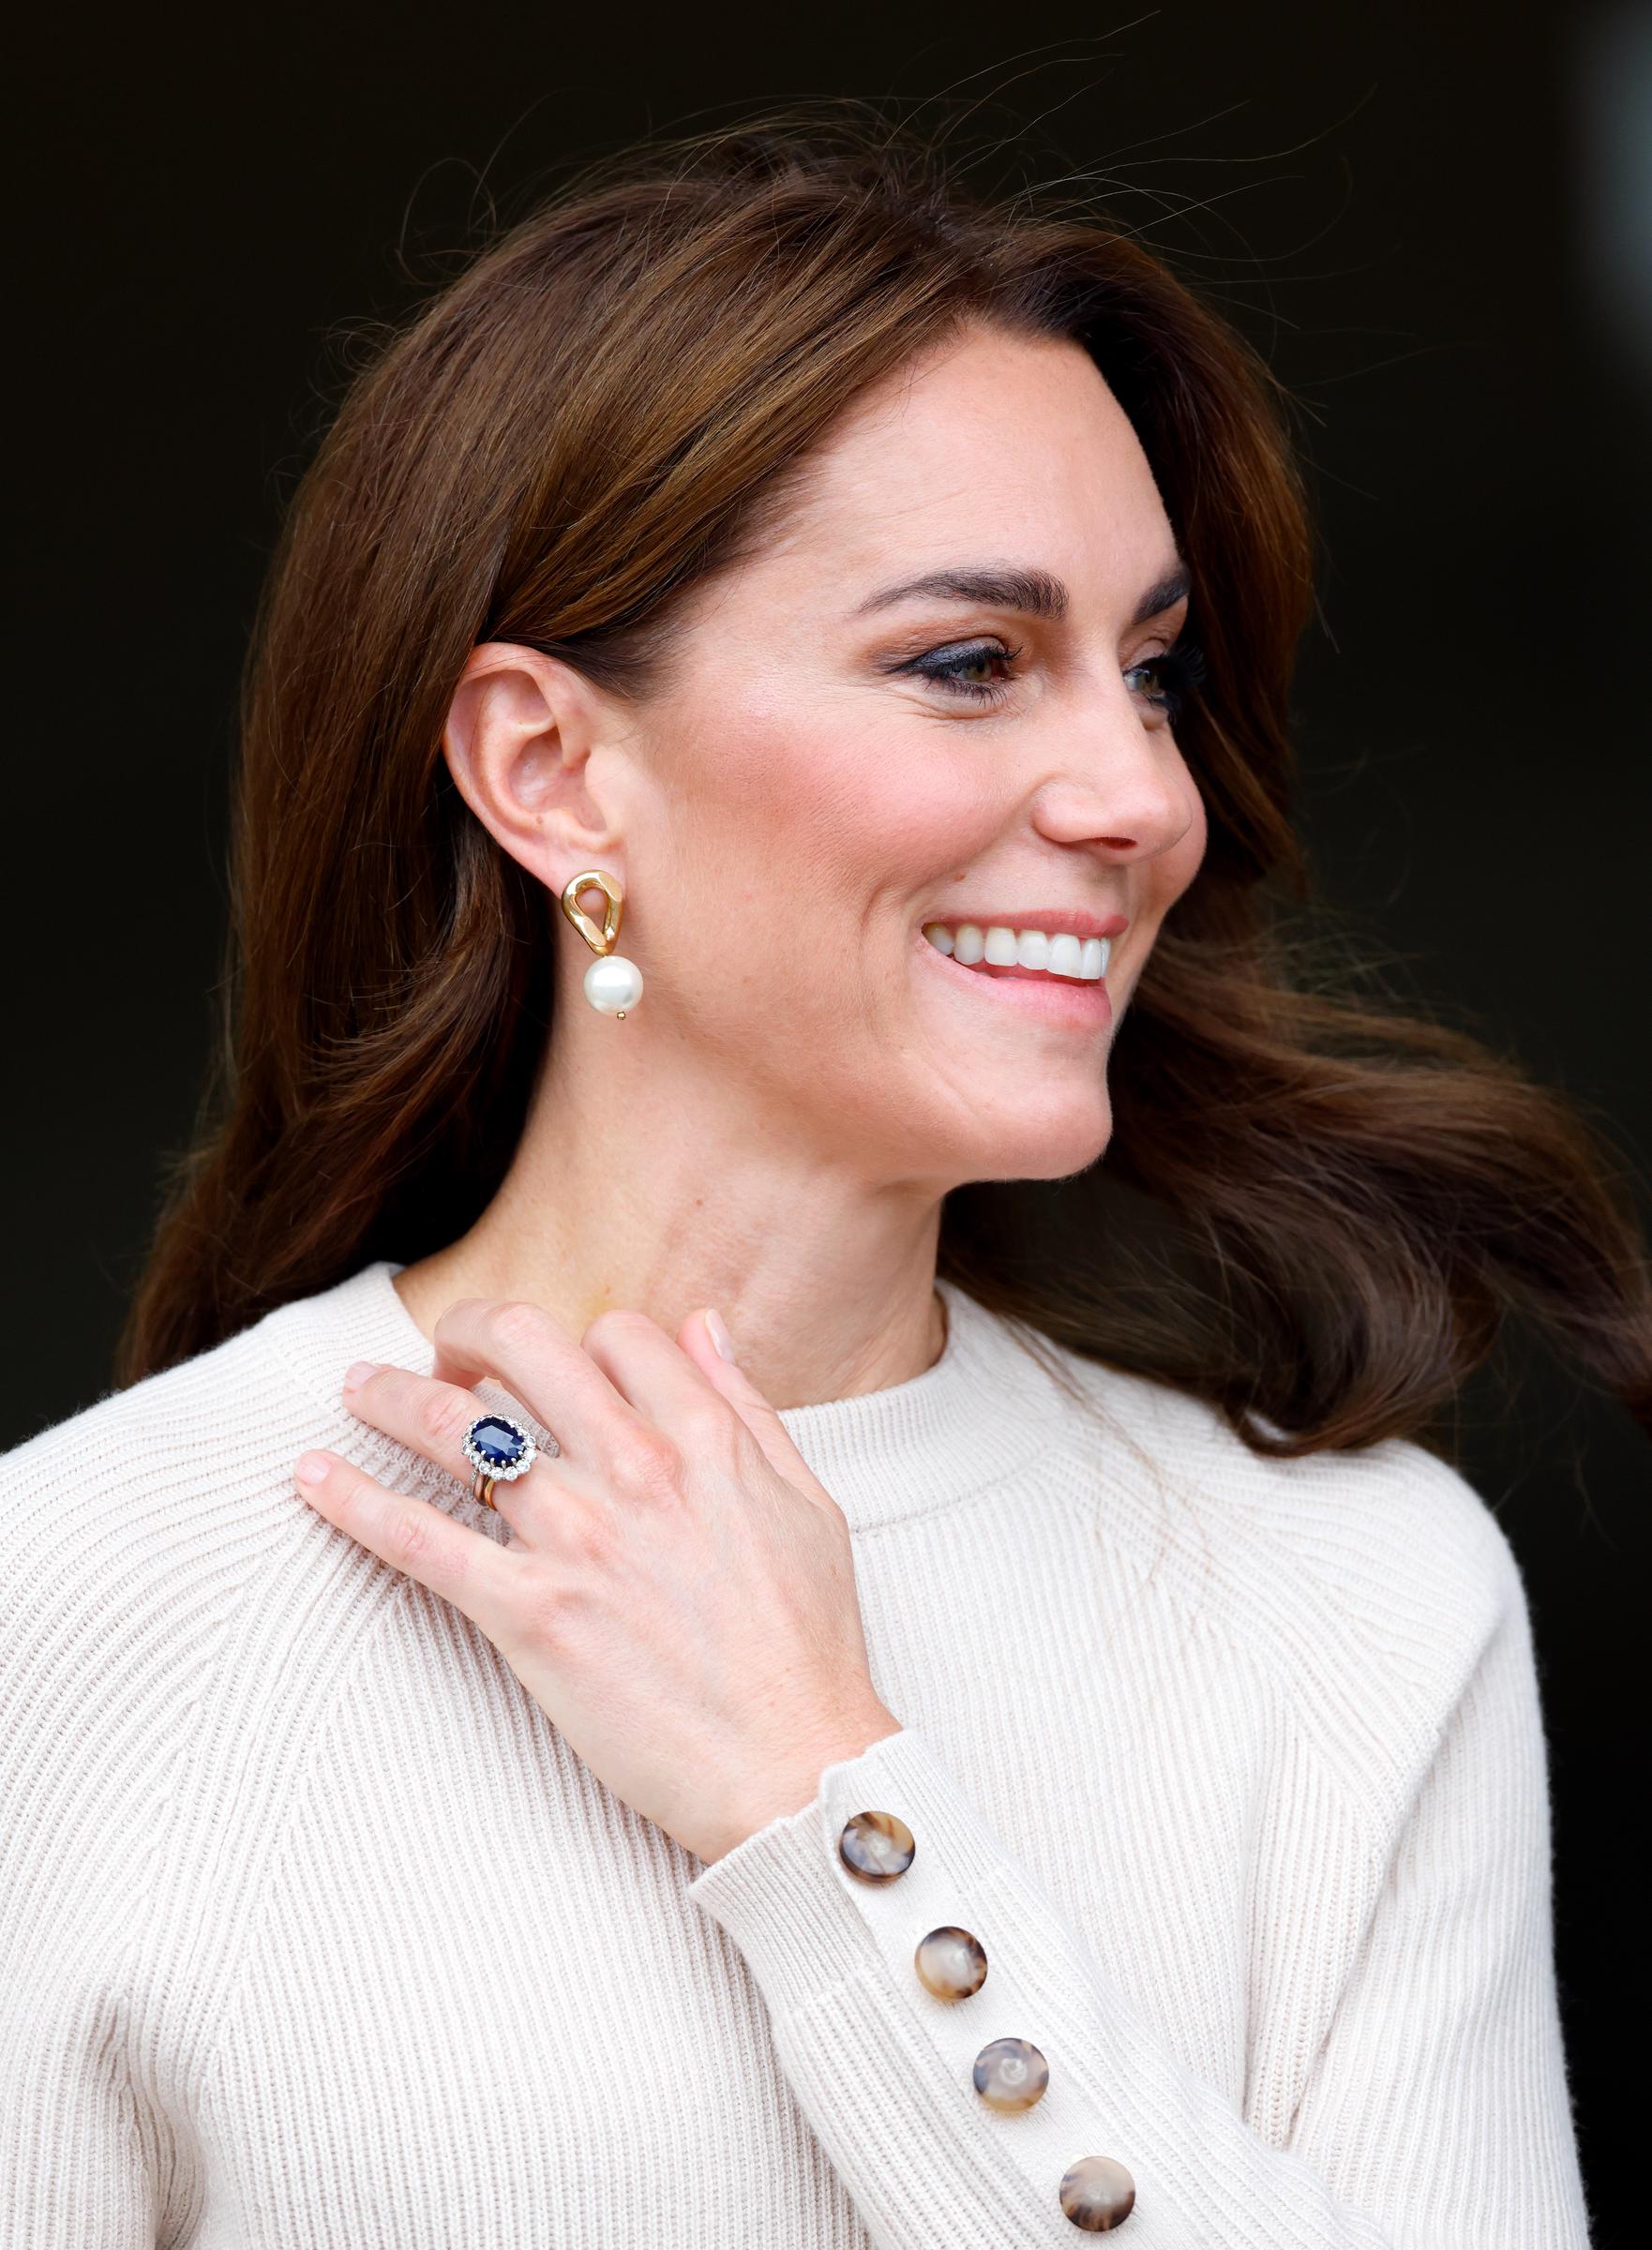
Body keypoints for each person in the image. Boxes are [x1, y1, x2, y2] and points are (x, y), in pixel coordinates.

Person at [3, 109, 1643, 2248]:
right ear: (548, 768)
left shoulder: (1346, 1607)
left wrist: (819, 1793)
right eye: (968, 661)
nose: (1136, 791)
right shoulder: (81, 1608)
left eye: (1148, 671)